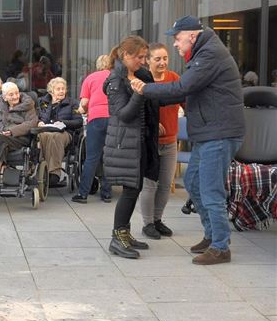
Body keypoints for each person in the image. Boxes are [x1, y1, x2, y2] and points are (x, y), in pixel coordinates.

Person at [132, 15, 245, 265]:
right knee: (193, 182)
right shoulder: (203, 53)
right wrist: (155, 98)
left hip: (219, 133)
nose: (175, 44)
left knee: (210, 190)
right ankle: (212, 234)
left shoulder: (209, 55)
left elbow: (182, 87)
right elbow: (186, 91)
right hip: (209, 132)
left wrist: (144, 89)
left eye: (177, 38)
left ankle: (220, 246)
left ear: (192, 36)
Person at [103, 35, 160, 259]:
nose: (143, 61)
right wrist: (138, 93)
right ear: (125, 55)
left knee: (134, 188)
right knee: (130, 190)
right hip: (125, 143)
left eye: (145, 57)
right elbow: (124, 115)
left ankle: (124, 232)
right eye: (139, 57)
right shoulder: (115, 81)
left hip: (139, 142)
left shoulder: (137, 75)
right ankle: (117, 238)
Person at [138, 43, 182, 240]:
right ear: (148, 60)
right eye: (157, 59)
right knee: (150, 184)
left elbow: (185, 101)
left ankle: (157, 220)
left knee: (165, 184)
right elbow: (138, 111)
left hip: (171, 141)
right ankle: (147, 223)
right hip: (150, 142)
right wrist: (153, 124)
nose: (162, 62)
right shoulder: (142, 80)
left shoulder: (174, 79)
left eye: (165, 58)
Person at [72, 54, 113, 204]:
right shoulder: (116, 77)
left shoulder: (90, 78)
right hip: (114, 119)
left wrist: (83, 109)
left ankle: (83, 194)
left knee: (91, 158)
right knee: (108, 157)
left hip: (95, 118)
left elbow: (84, 102)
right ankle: (107, 193)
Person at [36, 77, 83, 187]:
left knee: (55, 137)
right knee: (43, 136)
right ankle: (44, 170)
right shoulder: (42, 102)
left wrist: (62, 122)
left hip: (64, 133)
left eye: (63, 89)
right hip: (45, 131)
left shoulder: (73, 103)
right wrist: (39, 122)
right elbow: (36, 117)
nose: (61, 91)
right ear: (51, 91)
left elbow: (79, 121)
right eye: (58, 89)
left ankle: (54, 173)